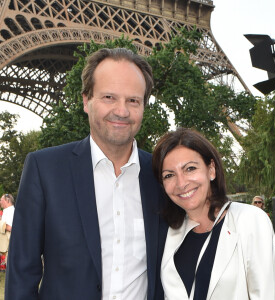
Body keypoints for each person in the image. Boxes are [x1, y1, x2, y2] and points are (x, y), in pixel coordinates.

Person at [5, 48, 167, 300]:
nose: (122, 111)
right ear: (85, 100)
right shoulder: (44, 169)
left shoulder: (162, 175)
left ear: (143, 106)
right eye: (109, 97)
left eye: (133, 100)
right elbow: (21, 274)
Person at [152, 127, 275, 300]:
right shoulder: (170, 233)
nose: (181, 183)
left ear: (211, 169)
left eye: (190, 168)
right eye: (169, 175)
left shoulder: (250, 220)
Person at [0, 194, 15, 266]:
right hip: (7, 245)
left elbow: (10, 228)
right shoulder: (7, 211)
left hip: (11, 245)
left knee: (11, 265)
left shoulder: (10, 211)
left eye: (1, 200)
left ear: (7, 200)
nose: (0, 202)